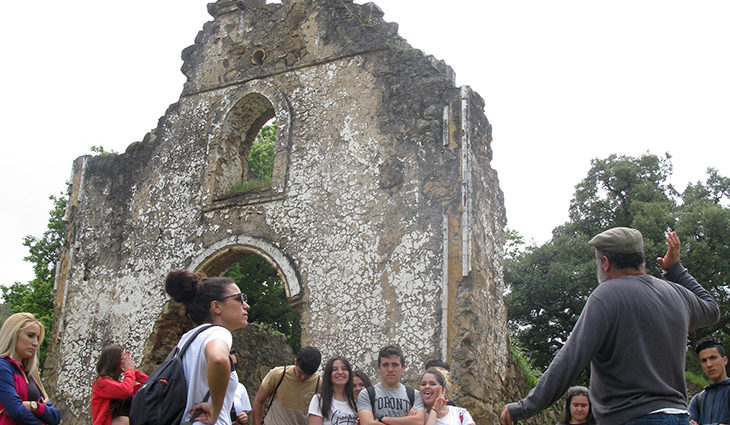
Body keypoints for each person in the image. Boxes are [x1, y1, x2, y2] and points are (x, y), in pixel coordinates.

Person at [500, 229, 720, 425]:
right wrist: (675, 269)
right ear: (640, 259)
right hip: (680, 415)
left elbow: (570, 360)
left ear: (605, 262)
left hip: (632, 418)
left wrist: (524, 407)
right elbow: (712, 309)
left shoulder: (607, 295)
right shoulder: (676, 294)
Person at [165, 270, 250, 425]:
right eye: (239, 298)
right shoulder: (217, 332)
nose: (246, 305)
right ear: (216, 307)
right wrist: (216, 410)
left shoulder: (187, 340)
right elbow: (218, 359)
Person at [0, 312, 61, 425]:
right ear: (13, 334)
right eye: (30, 335)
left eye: (37, 338)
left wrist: (34, 406)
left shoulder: (29, 372)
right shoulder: (3, 366)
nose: (35, 343)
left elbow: (55, 416)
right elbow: (16, 411)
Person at [251, 346, 322, 425]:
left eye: (308, 375)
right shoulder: (278, 375)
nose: (303, 378)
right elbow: (259, 401)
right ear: (295, 362)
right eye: (300, 372)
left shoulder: (319, 384)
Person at [356, 344, 425, 425]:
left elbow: (419, 421)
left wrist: (382, 419)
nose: (390, 369)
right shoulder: (366, 394)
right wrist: (407, 421)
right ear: (379, 368)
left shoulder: (415, 395)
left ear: (403, 368)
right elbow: (366, 423)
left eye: (395, 365)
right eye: (385, 365)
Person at [91, 345, 148, 425]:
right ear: (114, 361)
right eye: (123, 358)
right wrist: (129, 370)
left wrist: (135, 373)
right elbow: (125, 390)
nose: (127, 360)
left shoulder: (119, 384)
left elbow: (149, 384)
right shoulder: (101, 383)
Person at [688, 338, 730, 425]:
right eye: (704, 360)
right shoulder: (698, 400)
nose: (709, 364)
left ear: (724, 360)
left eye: (713, 358)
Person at [308, 356, 358, 425]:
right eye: (334, 369)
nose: (340, 372)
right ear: (329, 374)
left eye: (344, 369)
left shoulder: (356, 400)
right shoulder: (319, 400)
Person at [229, 351, 251, 425]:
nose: (232, 369)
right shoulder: (210, 387)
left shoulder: (240, 388)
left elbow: (243, 412)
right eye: (230, 365)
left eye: (234, 366)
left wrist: (243, 417)